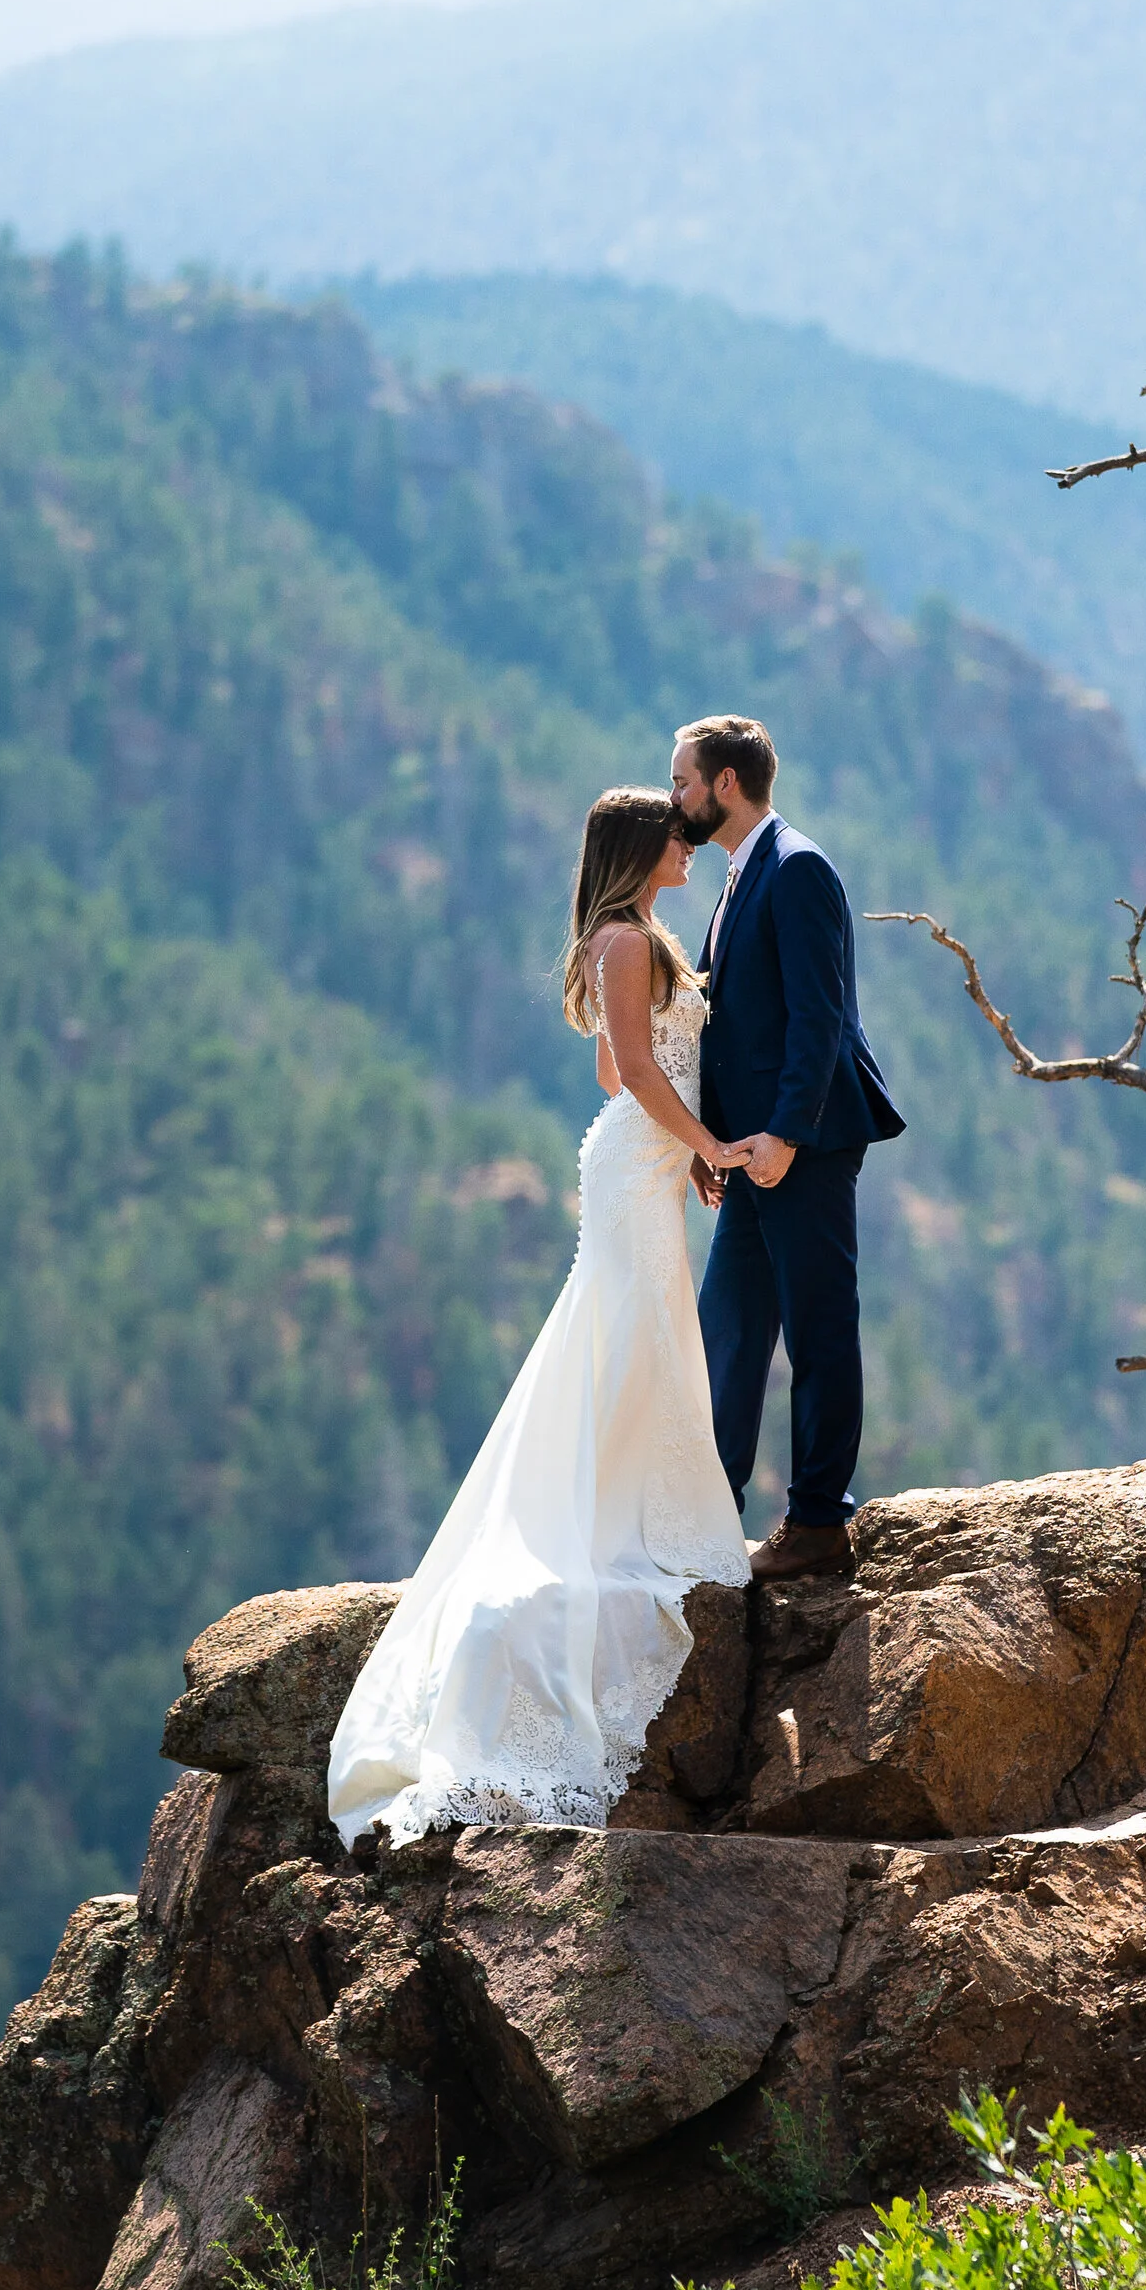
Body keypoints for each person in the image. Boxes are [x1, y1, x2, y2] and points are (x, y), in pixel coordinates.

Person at [328, 787, 753, 1845]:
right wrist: (705, 1145)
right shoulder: (625, 939)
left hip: (640, 1159)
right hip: (637, 1163)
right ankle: (624, 1526)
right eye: (677, 833)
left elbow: (619, 1066)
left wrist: (683, 1138)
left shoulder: (626, 938)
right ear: (641, 845)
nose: (689, 844)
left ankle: (629, 1513)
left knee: (639, 1330)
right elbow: (638, 1068)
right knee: (636, 1329)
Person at [669, 714, 905, 1582]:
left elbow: (820, 1017)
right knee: (727, 1328)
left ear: (727, 784)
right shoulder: (741, 874)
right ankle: (705, 1515)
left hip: (803, 1143)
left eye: (684, 781)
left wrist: (786, 1137)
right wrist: (711, 1138)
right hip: (749, 1147)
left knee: (818, 1329)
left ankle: (817, 1523)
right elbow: (736, 1029)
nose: (677, 798)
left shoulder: (798, 867)